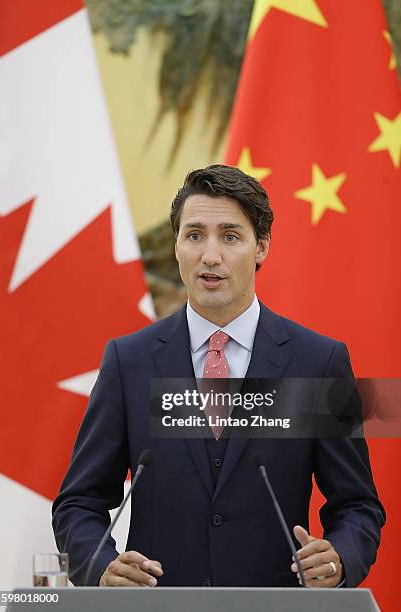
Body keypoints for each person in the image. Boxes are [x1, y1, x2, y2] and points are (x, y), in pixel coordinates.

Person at [52, 164, 385, 589]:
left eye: (230, 236)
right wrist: (100, 566)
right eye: (194, 235)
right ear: (176, 246)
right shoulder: (128, 361)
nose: (210, 255)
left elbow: (357, 506)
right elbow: (78, 502)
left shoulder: (317, 362)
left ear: (260, 247)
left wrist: (339, 558)